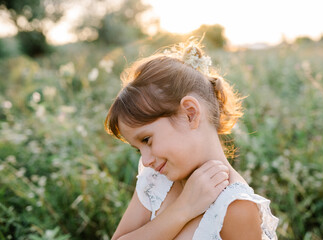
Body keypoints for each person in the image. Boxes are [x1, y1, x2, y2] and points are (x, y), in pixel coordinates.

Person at [105, 41, 279, 240]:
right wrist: (183, 209)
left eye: (147, 140)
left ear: (190, 114)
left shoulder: (234, 207)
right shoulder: (155, 179)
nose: (145, 161)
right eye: (138, 149)